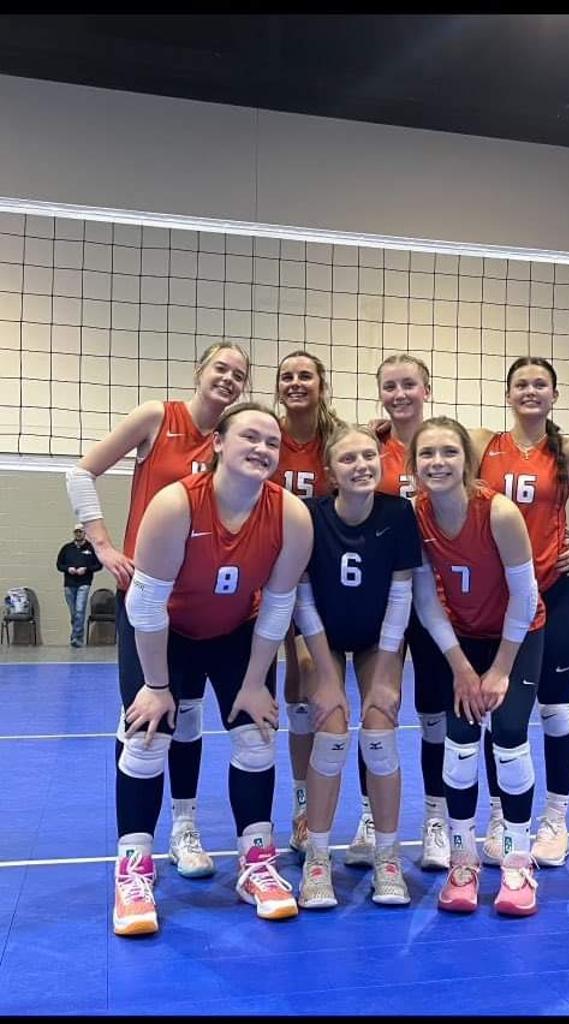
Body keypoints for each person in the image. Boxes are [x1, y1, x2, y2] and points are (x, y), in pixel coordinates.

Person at [113, 402, 313, 935]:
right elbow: (145, 604)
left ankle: (257, 863)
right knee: (148, 736)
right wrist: (157, 686)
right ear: (218, 444)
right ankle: (133, 870)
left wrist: (254, 683)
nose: (262, 449)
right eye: (250, 437)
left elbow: (278, 604)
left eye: (272, 442)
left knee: (257, 736)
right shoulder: (175, 504)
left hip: (236, 631)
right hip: (165, 631)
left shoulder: (291, 515)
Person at [66, 342, 250, 879]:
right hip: (148, 600)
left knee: (187, 714)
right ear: (199, 371)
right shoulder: (157, 417)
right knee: (144, 718)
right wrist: (103, 546)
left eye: (239, 374)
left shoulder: (234, 438)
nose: (228, 378)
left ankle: (184, 826)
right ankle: (134, 849)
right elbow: (80, 474)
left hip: (203, 604)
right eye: (220, 368)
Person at [472, 356, 569, 868]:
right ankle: (500, 815)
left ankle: (556, 819)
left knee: (556, 708)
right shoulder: (483, 444)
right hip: (499, 596)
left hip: (557, 592)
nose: (530, 391)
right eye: (521, 383)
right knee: (499, 707)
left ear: (554, 395)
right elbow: (429, 447)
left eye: (540, 384)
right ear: (508, 394)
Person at [408, 416, 545, 915]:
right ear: (414, 464)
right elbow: (427, 602)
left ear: (467, 460)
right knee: (460, 743)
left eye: (449, 452)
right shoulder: (416, 516)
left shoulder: (499, 512)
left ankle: (517, 862)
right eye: (427, 453)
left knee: (508, 736)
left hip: (517, 636)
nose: (438, 462)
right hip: (463, 640)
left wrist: (501, 670)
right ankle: (463, 861)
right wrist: (462, 668)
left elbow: (525, 597)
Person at [294, 424, 422, 909]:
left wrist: (387, 673)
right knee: (330, 727)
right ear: (331, 473)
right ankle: (318, 857)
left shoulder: (398, 514)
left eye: (369, 455)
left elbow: (401, 596)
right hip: (320, 633)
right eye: (348, 459)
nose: (361, 465)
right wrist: (326, 677)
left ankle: (387, 857)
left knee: (380, 727)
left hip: (377, 638)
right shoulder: (311, 516)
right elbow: (304, 599)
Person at [345, 354, 452, 873]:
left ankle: (436, 819)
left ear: (426, 389)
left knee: (435, 712)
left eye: (409, 384)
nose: (400, 394)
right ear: (381, 394)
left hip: (437, 595)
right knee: (376, 709)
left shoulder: (445, 445)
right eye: (390, 386)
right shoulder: (371, 448)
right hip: (382, 594)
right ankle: (369, 817)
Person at [270, 350, 341, 855]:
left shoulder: (338, 440)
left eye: (305, 376)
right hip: (275, 574)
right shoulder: (266, 436)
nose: (296, 383)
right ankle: (301, 803)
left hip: (328, 577)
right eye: (287, 376)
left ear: (322, 385)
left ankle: (324, 811)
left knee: (319, 684)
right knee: (294, 684)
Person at [55, 523, 103, 647]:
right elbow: (59, 565)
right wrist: (68, 569)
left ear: (84, 533)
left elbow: (99, 565)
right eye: (76, 532)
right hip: (69, 584)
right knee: (74, 613)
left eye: (80, 532)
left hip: (84, 583)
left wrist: (86, 569)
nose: (78, 534)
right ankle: (75, 634)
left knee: (80, 610)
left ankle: (77, 638)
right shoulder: (67, 548)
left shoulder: (91, 548)